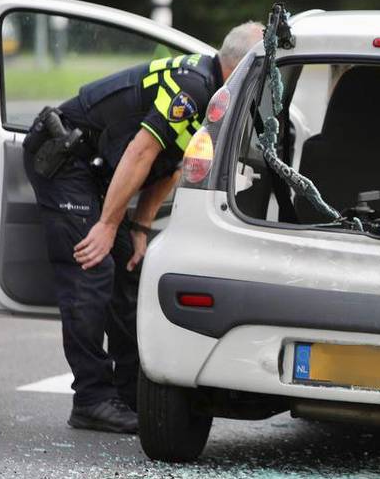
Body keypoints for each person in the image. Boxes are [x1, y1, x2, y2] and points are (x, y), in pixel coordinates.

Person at [22, 21, 265, 434]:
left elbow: (170, 165)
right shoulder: (193, 89)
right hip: (67, 160)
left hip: (100, 170)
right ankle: (92, 400)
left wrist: (138, 226)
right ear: (240, 68)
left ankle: (127, 391)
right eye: (262, 72)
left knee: (128, 275)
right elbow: (141, 151)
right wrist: (105, 224)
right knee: (91, 272)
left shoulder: (218, 96)